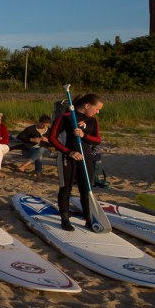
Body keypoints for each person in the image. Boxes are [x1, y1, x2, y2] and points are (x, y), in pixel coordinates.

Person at [48, 93, 104, 232]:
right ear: (87, 106)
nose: (98, 112)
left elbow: (97, 140)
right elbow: (52, 138)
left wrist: (84, 135)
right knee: (66, 189)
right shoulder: (66, 117)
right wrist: (69, 152)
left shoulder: (93, 121)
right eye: (97, 108)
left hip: (86, 158)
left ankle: (88, 219)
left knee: (86, 190)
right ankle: (65, 219)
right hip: (68, 157)